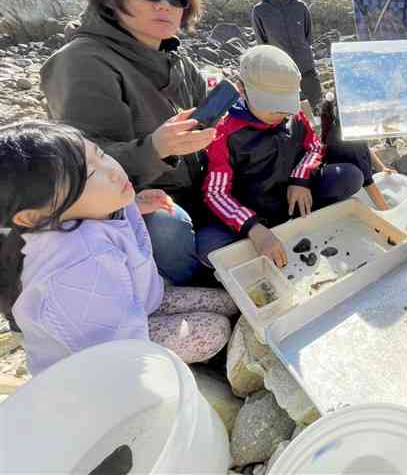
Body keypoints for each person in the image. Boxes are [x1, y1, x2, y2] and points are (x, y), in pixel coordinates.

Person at [40, 0, 215, 285]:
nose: (164, 5)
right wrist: (156, 148)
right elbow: (82, 169)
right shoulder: (82, 62)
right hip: (136, 203)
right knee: (167, 226)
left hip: (196, 186)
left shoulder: (173, 58)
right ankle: (190, 286)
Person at [0, 122, 237, 376]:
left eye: (100, 155)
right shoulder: (71, 271)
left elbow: (98, 207)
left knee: (229, 302)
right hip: (107, 348)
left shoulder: (86, 209)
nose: (113, 171)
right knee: (215, 330)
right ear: (34, 217)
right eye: (90, 175)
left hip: (136, 301)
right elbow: (117, 353)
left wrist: (135, 202)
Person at [196, 46, 363, 267]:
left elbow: (314, 146)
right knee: (208, 246)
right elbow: (216, 194)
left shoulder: (294, 116)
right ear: (242, 90)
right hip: (253, 212)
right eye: (272, 106)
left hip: (292, 199)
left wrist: (300, 179)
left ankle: (298, 222)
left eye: (285, 105)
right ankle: (266, 239)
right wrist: (253, 228)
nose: (281, 114)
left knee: (350, 176)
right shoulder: (224, 133)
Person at [251, 0, 323, 110]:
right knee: (291, 124)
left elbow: (308, 37)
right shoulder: (260, 11)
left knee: (321, 117)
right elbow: (263, 46)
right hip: (281, 77)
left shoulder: (300, 7)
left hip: (308, 73)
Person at [319, 91, 395, 211]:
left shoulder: (344, 127)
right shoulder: (350, 142)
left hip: (345, 178)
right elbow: (368, 184)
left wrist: (381, 167)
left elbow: (366, 148)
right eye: (368, 111)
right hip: (344, 188)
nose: (371, 115)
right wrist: (388, 211)